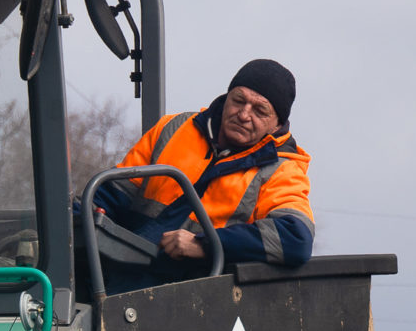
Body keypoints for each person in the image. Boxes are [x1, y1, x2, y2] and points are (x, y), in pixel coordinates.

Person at [91, 59, 313, 283]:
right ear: (227, 98)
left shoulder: (282, 170)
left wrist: (204, 243)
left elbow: (295, 238)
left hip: (194, 293)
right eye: (238, 101)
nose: (244, 115)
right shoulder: (173, 129)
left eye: (260, 110)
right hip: (120, 272)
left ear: (277, 124)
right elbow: (111, 195)